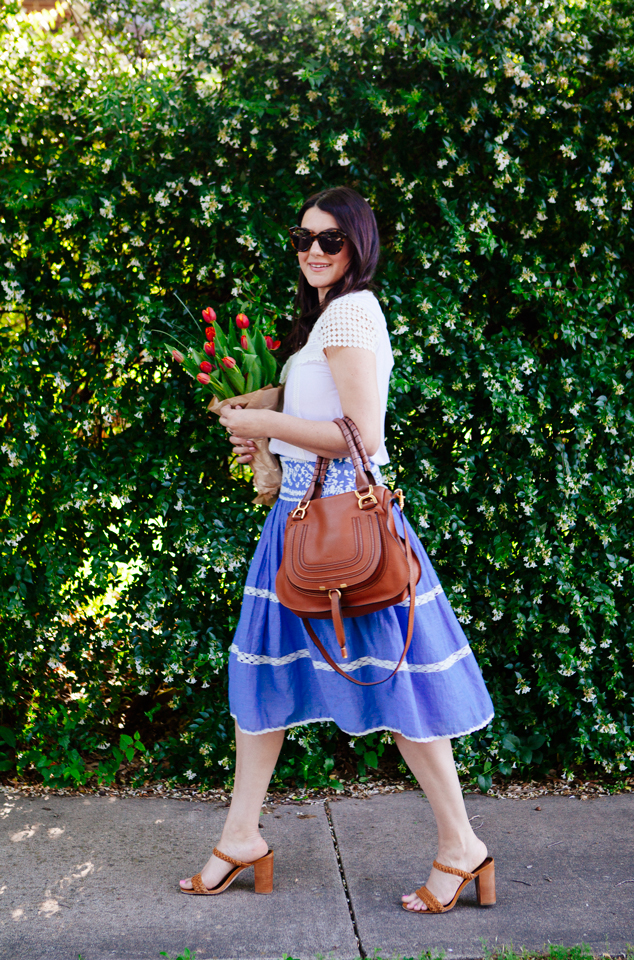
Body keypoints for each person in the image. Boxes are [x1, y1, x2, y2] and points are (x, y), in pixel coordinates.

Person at [180, 186, 496, 914]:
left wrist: (266, 425)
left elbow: (362, 433)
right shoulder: (325, 318)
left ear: (359, 245)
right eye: (304, 239)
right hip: (300, 524)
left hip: (345, 530)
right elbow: (315, 409)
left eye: (331, 240)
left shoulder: (353, 311)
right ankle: (240, 836)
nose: (314, 251)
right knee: (260, 678)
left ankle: (461, 846)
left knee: (396, 681)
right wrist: (258, 411)